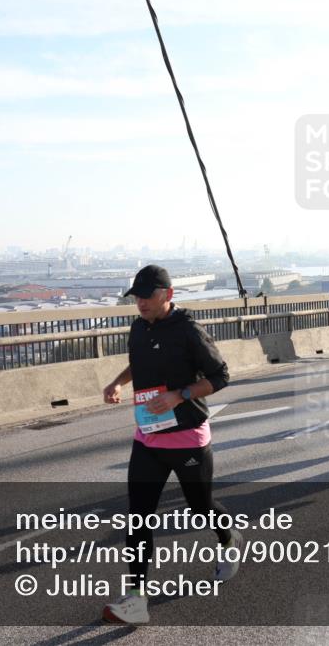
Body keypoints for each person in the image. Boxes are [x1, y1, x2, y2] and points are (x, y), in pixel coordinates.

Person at [101, 265, 241, 624]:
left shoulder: (188, 330)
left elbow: (220, 376)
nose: (141, 302)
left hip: (187, 438)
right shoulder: (138, 327)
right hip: (148, 437)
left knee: (200, 507)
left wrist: (181, 396)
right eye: (137, 296)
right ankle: (136, 598)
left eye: (148, 295)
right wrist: (117, 382)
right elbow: (137, 363)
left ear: (169, 294)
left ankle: (228, 540)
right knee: (138, 517)